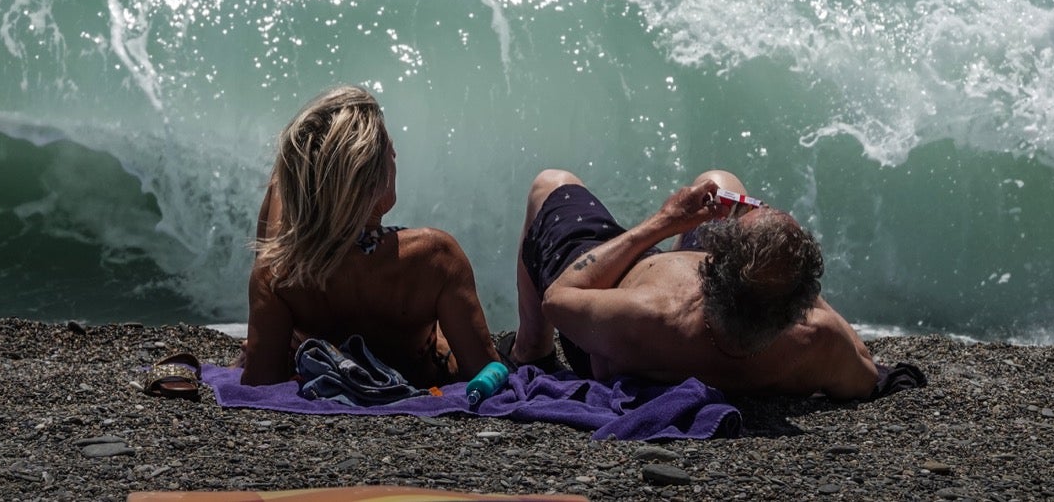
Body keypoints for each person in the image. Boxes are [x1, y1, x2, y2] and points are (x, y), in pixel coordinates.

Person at [510, 167, 881, 399]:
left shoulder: (649, 315)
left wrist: (665, 221)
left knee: (552, 183)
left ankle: (530, 348)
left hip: (615, 288)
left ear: (709, 266)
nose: (754, 208)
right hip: (744, 309)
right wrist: (789, 278)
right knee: (720, 182)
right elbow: (866, 373)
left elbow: (558, 298)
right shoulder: (817, 339)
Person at [238, 86, 498, 387]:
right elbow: (485, 371)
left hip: (310, 318)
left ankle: (268, 332)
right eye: (389, 150)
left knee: (277, 187)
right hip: (417, 368)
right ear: (371, 178)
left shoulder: (275, 272)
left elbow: (259, 384)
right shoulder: (435, 256)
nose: (396, 154)